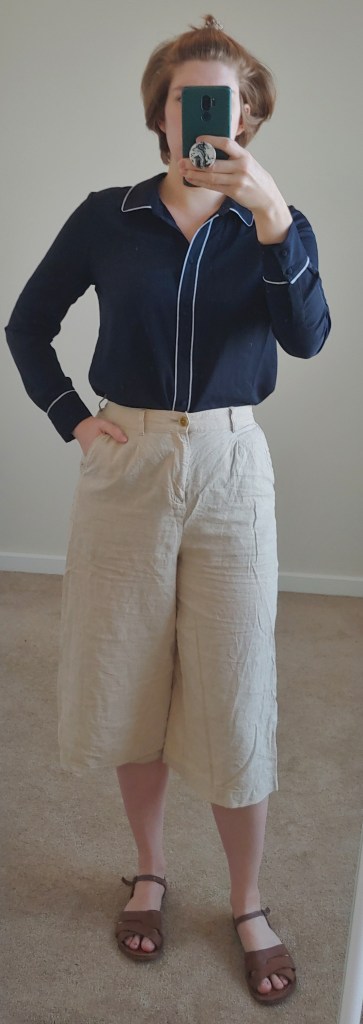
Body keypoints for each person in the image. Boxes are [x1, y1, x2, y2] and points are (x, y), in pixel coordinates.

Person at [4, 14, 331, 1007]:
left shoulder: (274, 223)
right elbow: (28, 324)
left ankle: (248, 897)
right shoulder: (109, 215)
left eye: (225, 102)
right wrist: (74, 420)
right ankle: (148, 870)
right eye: (189, 97)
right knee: (128, 680)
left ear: (252, 114)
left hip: (232, 468)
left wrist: (271, 216)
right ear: (160, 110)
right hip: (128, 460)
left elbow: (308, 337)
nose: (207, 117)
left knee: (235, 691)